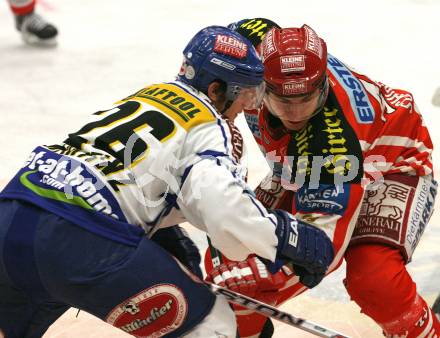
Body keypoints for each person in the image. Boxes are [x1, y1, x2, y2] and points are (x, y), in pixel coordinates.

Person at [0, 24, 336, 338]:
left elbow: (121, 175)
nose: (245, 108)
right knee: (214, 326)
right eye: (245, 94)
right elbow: (224, 209)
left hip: (13, 211)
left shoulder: (148, 95)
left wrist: (160, 231)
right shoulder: (208, 123)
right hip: (82, 241)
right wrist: (290, 238)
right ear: (217, 88)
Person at [205, 19, 440, 338]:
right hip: (297, 163)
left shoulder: (332, 145)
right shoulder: (261, 48)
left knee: (374, 279)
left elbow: (320, 249)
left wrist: (261, 275)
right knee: (232, 251)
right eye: (284, 101)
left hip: (390, 161)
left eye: (306, 99)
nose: (297, 112)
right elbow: (225, 42)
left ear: (323, 85)